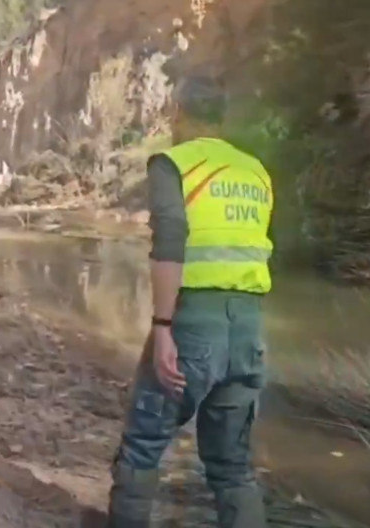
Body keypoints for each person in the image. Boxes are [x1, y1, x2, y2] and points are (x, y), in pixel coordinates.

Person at [106, 76, 274, 528]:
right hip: (249, 330)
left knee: (142, 448)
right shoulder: (255, 170)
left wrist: (162, 327)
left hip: (194, 324)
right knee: (232, 468)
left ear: (179, 111)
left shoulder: (173, 163)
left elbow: (170, 242)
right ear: (221, 117)